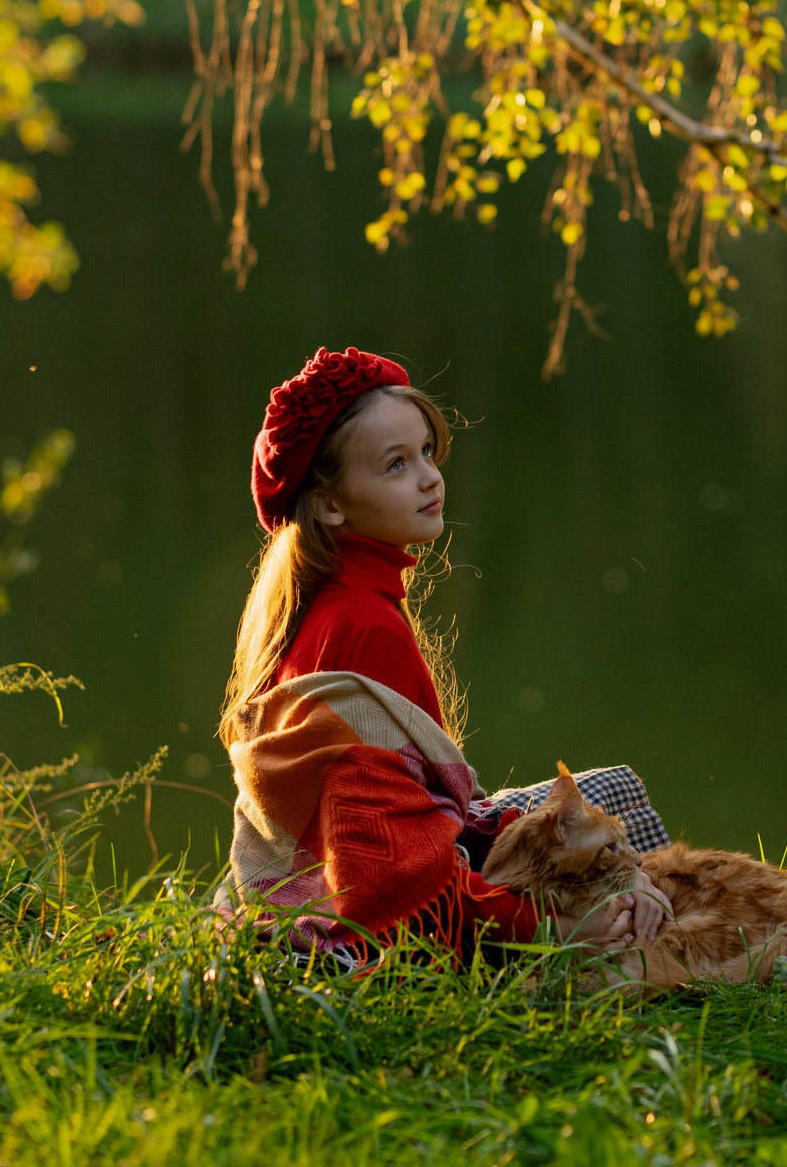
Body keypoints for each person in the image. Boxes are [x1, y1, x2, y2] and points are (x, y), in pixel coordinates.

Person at [216, 346, 668, 966]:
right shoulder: (363, 626)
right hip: (375, 924)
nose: (429, 477)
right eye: (395, 465)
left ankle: (635, 902)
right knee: (613, 800)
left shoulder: (330, 598)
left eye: (426, 452)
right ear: (329, 503)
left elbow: (406, 823)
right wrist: (549, 932)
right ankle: (630, 928)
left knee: (599, 800)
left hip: (339, 885)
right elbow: (391, 870)